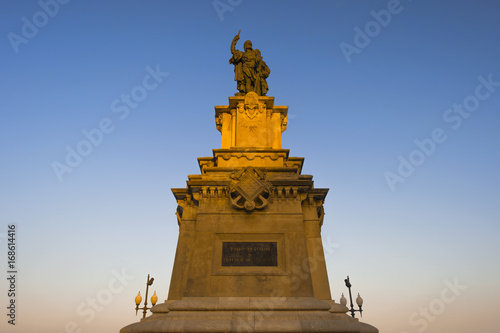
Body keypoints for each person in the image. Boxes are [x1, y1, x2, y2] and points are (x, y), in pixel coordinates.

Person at [229, 31, 270, 96]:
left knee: (257, 83)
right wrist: (234, 41)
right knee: (248, 82)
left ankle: (256, 97)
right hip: (246, 69)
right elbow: (233, 52)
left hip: (255, 70)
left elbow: (259, 60)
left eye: (249, 44)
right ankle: (249, 96)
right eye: (247, 44)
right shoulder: (243, 54)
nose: (248, 45)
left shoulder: (255, 52)